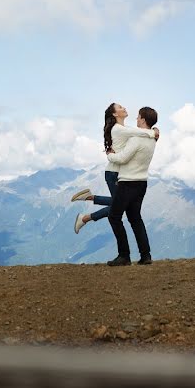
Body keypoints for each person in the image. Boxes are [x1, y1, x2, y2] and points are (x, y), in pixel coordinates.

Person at [70, 103, 158, 234]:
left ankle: (89, 202)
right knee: (119, 206)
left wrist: (153, 132)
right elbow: (140, 132)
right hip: (113, 172)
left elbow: (139, 134)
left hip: (118, 172)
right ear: (115, 114)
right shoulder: (118, 129)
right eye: (120, 108)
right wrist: (154, 132)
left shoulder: (124, 128)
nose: (124, 108)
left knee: (119, 205)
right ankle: (85, 216)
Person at [104, 107, 158, 266]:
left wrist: (109, 154)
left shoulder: (136, 139)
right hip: (142, 182)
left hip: (128, 182)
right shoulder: (153, 139)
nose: (136, 119)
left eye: (138, 117)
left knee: (114, 217)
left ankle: (124, 255)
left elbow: (122, 158)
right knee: (135, 218)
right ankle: (146, 255)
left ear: (142, 120)